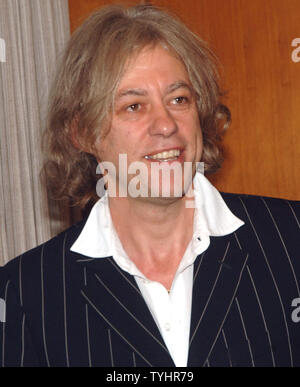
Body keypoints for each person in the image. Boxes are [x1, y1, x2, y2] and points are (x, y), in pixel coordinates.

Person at [0, 4, 299, 368]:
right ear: (81, 133)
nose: (166, 124)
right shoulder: (25, 293)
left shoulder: (290, 238)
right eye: (134, 106)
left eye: (179, 99)